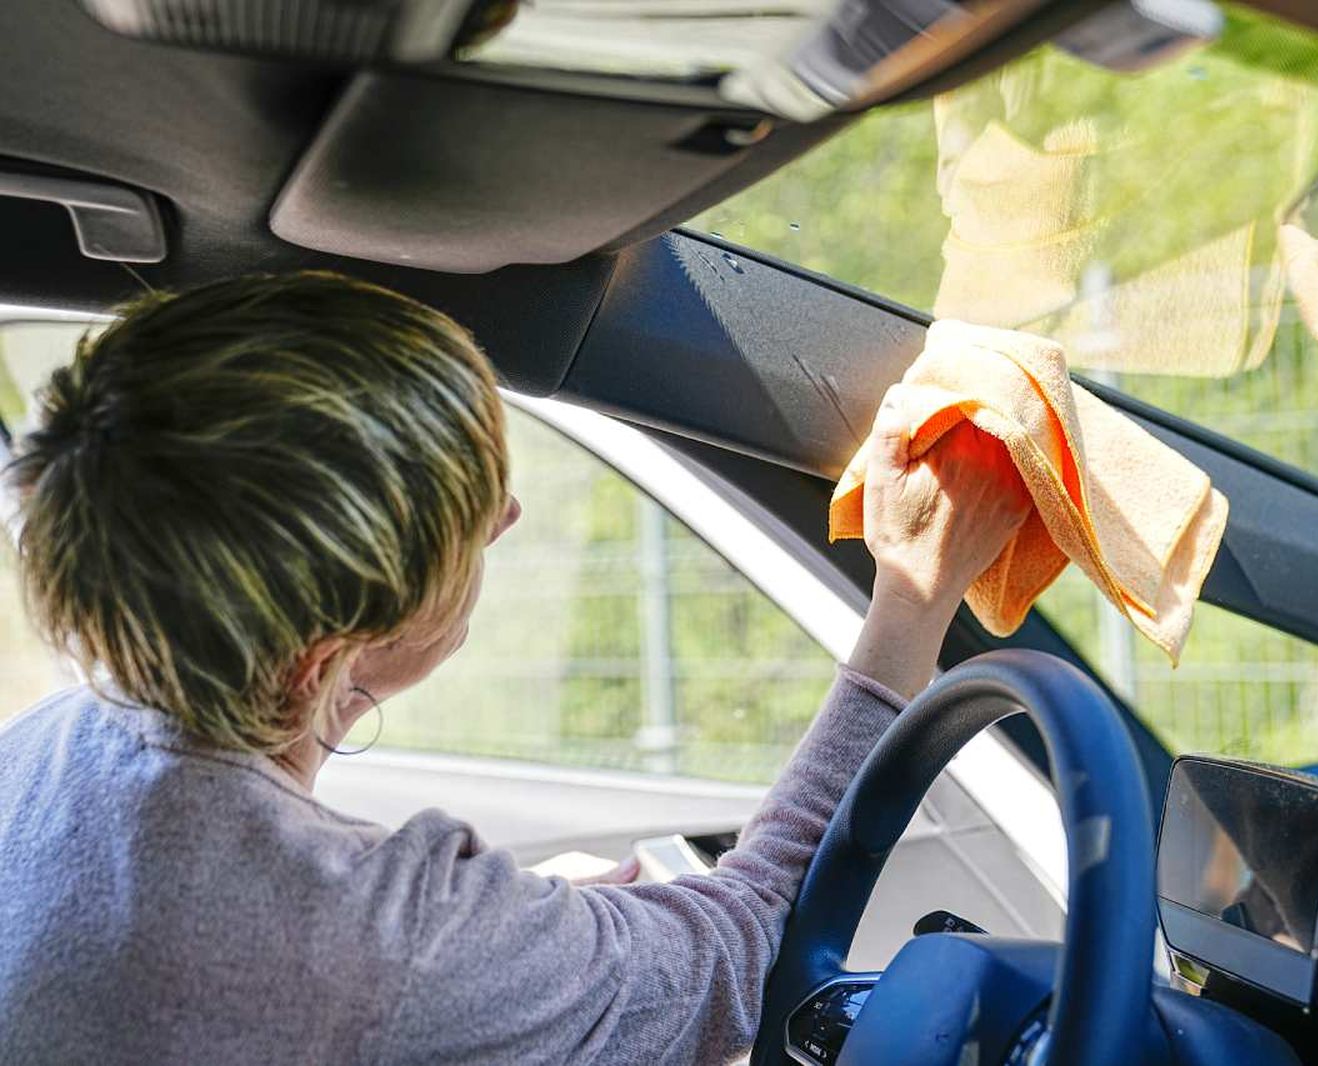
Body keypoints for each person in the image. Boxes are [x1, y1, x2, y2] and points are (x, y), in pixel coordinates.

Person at [0, 271, 1030, 1064]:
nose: (508, 516)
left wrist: (502, 942)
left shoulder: (46, 759)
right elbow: (746, 946)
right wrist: (914, 590)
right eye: (468, 530)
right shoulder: (360, 927)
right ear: (326, 658)